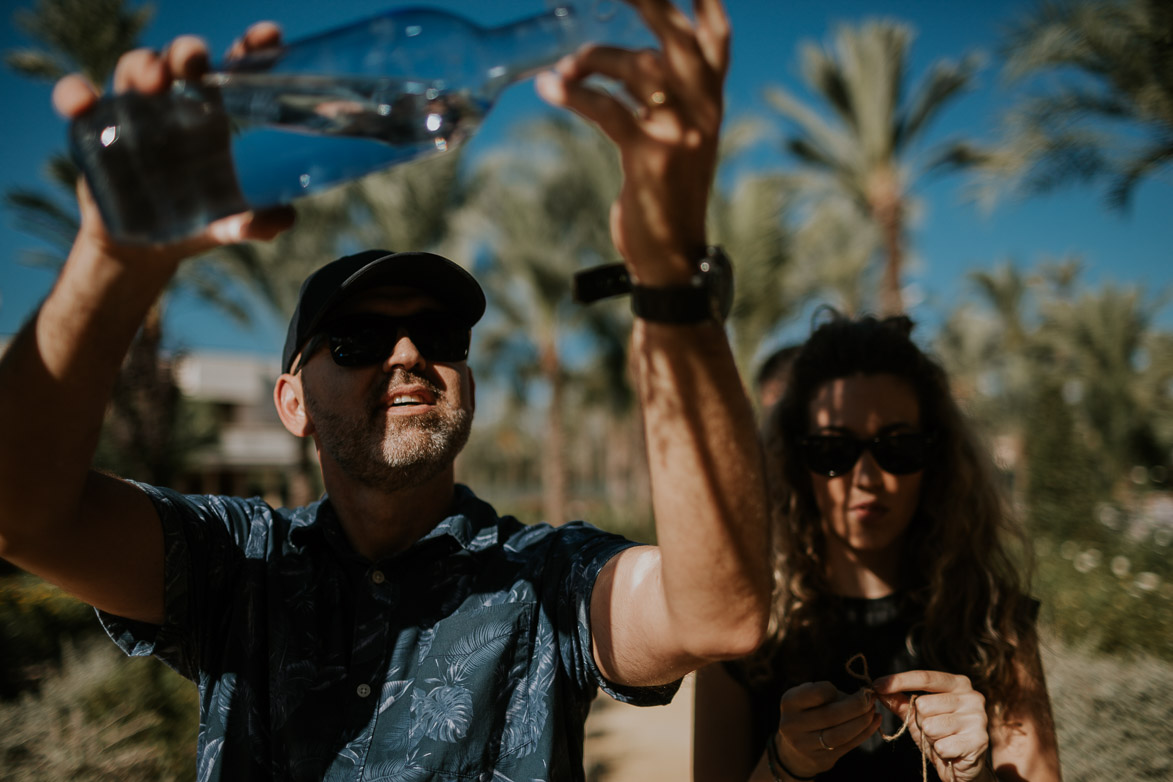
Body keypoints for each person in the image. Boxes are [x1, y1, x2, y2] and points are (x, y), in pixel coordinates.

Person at [0, 1, 772, 779]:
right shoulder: (235, 568)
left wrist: (670, 272)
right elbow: (19, 511)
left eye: (439, 338)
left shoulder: (544, 578)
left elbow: (717, 613)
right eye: (357, 342)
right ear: (291, 403)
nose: (406, 355)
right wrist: (112, 263)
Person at [693, 313, 1062, 782]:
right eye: (833, 451)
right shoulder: (741, 628)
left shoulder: (994, 624)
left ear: (937, 457)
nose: (865, 478)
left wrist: (976, 776)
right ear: (795, 465)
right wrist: (784, 765)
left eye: (897, 447)